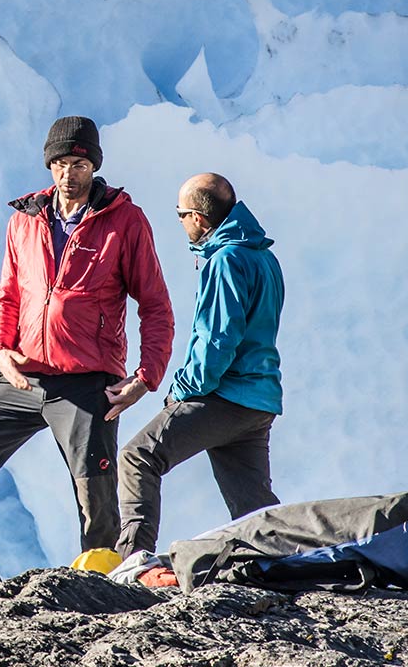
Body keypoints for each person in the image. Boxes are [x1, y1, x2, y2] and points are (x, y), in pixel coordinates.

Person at [0, 116, 173, 624]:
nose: (69, 173)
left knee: (95, 497)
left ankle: (101, 601)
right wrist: (0, 351)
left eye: (80, 164)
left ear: (94, 166)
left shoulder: (124, 221)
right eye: (61, 163)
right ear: (49, 164)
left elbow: (155, 305)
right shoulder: (25, 219)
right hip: (21, 377)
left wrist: (145, 377)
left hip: (88, 380)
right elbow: (8, 294)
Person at [110, 173, 285, 562]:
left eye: (180, 214)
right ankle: (281, 562)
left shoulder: (226, 261)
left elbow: (217, 341)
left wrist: (181, 390)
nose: (180, 222)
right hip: (258, 400)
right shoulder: (263, 257)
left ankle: (132, 562)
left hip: (224, 394)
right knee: (252, 505)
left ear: (199, 218)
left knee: (139, 457)